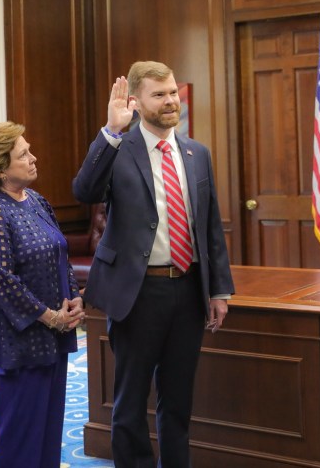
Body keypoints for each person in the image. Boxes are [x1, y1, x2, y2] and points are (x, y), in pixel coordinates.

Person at [73, 60, 235, 468]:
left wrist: (218, 289)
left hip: (188, 288)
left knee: (178, 400)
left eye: (173, 93)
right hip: (138, 292)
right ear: (136, 101)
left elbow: (210, 225)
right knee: (130, 402)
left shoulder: (197, 153)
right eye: (158, 95)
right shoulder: (118, 150)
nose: (169, 102)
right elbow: (84, 189)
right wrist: (110, 131)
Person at [0, 121, 85, 467]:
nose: (33, 157)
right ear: (1, 169)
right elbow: (0, 279)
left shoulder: (35, 199)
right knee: (18, 438)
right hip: (20, 343)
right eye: (23, 154)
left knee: (48, 432)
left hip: (54, 337)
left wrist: (74, 298)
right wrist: (51, 317)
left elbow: (59, 251)